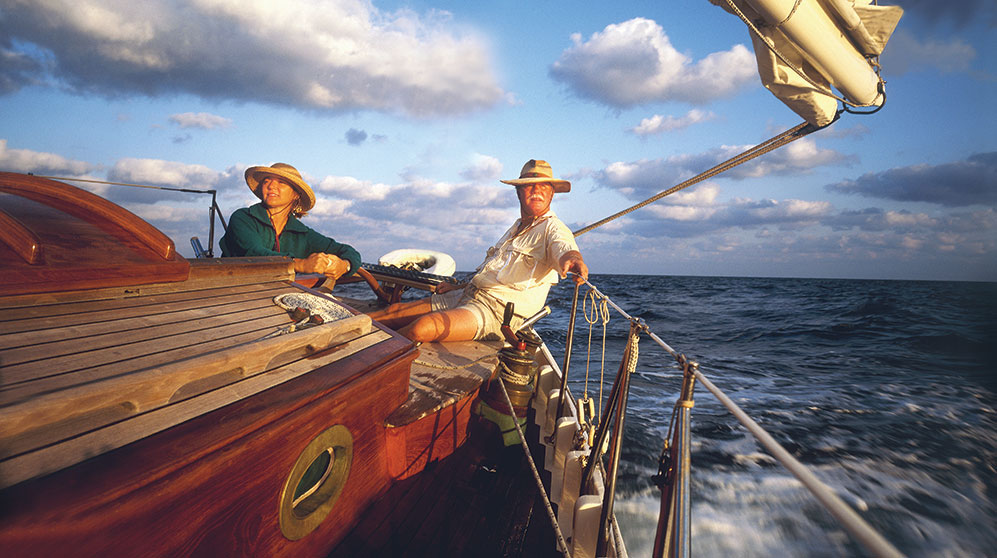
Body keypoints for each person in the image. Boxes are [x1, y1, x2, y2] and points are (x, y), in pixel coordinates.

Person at [369, 159, 588, 342]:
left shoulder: (553, 228)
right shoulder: (516, 227)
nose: (537, 190)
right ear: (518, 192)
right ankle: (350, 341)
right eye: (530, 185)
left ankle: (374, 359)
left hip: (496, 313)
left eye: (544, 186)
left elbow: (564, 246)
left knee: (423, 328)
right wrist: (461, 284)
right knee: (391, 313)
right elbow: (493, 271)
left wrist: (573, 259)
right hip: (468, 294)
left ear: (552, 194)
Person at [220, 162, 360, 281]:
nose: (271, 186)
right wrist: (301, 264)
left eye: (281, 182)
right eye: (267, 181)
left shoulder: (303, 234)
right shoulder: (242, 217)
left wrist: (344, 265)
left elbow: (348, 251)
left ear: (295, 195)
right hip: (230, 291)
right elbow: (254, 253)